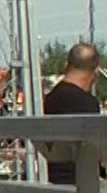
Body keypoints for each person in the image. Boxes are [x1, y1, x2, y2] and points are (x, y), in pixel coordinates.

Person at [42, 42, 101, 184]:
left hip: (51, 178)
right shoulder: (89, 104)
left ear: (66, 64)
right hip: (79, 181)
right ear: (96, 71)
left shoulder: (50, 99)